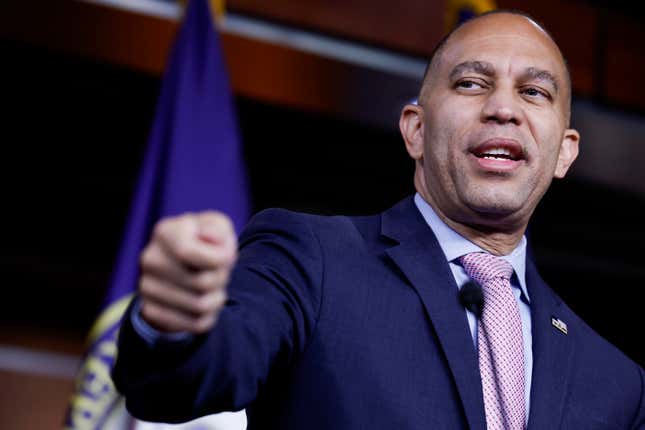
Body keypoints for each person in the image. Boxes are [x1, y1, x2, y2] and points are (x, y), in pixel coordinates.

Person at [112, 10, 645, 429]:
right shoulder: (309, 258)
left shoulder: (618, 381)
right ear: (414, 129)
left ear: (564, 153)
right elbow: (189, 380)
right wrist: (173, 326)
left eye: (534, 92)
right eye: (471, 84)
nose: (503, 109)